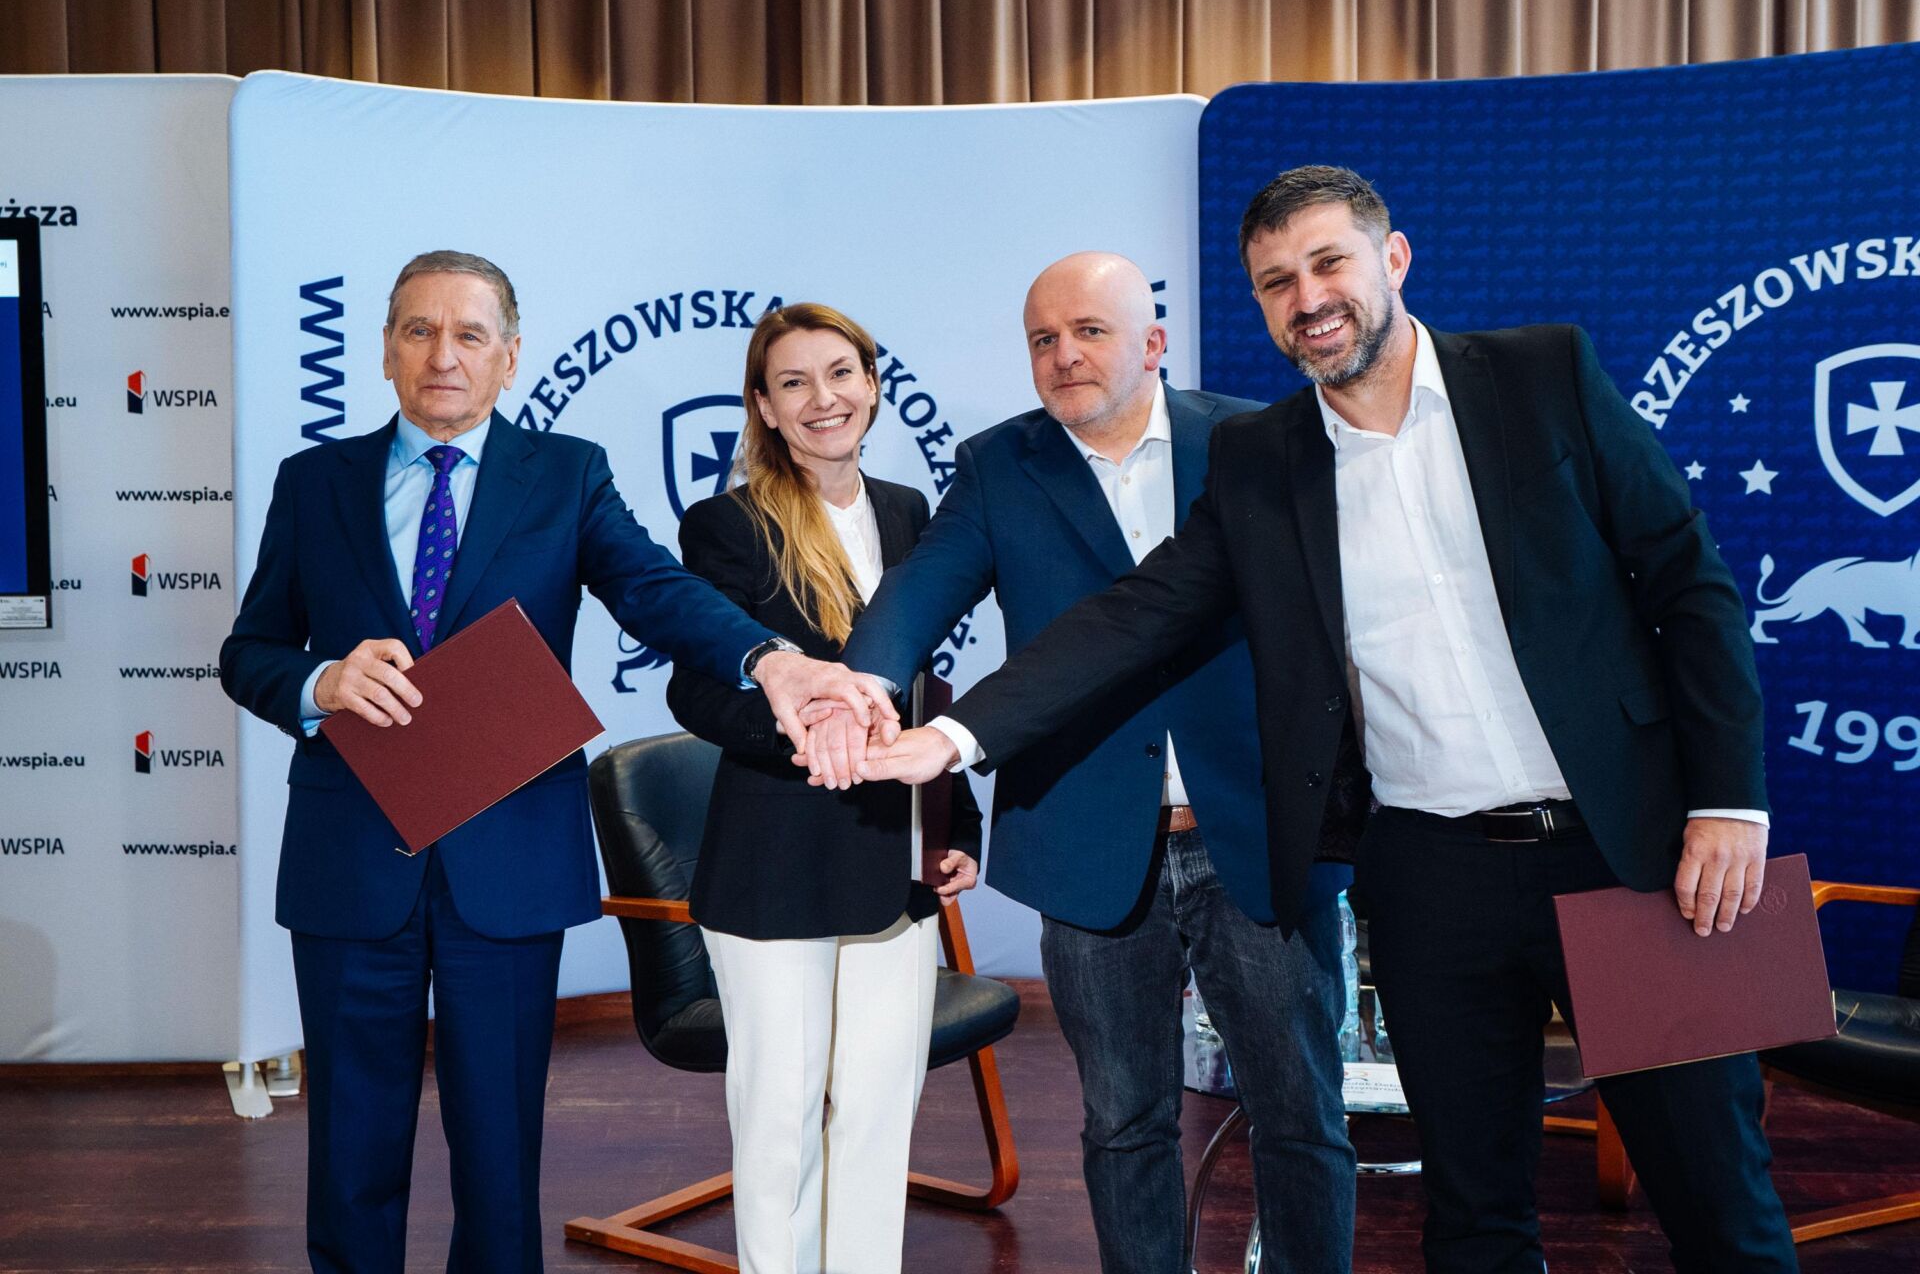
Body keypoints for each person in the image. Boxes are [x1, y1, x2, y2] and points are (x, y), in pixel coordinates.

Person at [857, 168, 1800, 1273]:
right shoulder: (1264, 460)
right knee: (1475, 1217)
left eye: (1327, 263)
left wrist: (1729, 801)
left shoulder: (1545, 370)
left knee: (1720, 1196)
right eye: (1275, 282)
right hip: (1431, 878)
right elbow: (1134, 617)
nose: (1307, 298)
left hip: (1635, 851)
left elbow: (1690, 583)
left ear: (1391, 259)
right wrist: (952, 738)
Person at [220, 252, 891, 1274]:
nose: (443, 356)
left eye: (470, 334)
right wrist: (321, 681)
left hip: (509, 861)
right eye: (418, 331)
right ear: (387, 349)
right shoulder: (314, 483)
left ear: (510, 356)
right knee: (349, 1152)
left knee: (500, 1158)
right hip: (352, 855)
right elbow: (250, 652)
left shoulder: (567, 473)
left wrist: (769, 659)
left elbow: (655, 588)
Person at [801, 252, 1355, 1272]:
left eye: (1090, 332)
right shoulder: (999, 466)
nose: (1063, 356)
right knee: (1123, 1120)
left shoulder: (1253, 439)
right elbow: (921, 590)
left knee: (1301, 1114)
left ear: (1153, 342)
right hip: (1087, 837)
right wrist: (860, 682)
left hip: (1257, 827)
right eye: (1043, 340)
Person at [664, 301, 980, 1274]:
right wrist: (814, 729)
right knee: (780, 1120)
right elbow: (696, 688)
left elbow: (923, 685)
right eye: (792, 382)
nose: (822, 398)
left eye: (840, 373)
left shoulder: (910, 511)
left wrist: (955, 822)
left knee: (881, 1114)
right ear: (763, 405)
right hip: (776, 861)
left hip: (894, 851)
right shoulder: (726, 524)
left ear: (872, 387)